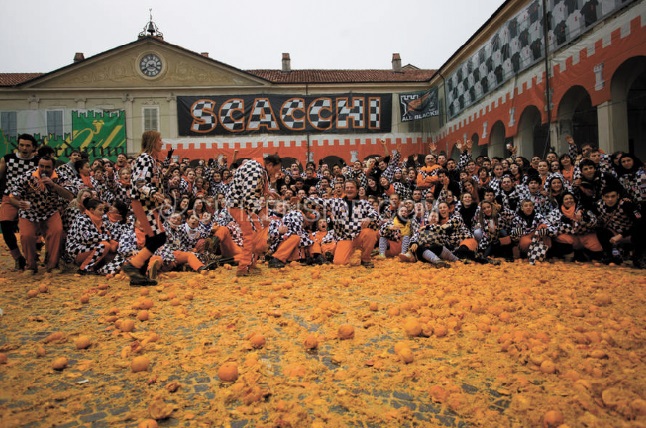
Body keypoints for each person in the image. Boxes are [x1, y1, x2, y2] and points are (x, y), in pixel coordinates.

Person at [8, 155, 75, 275]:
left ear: (53, 167)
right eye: (41, 166)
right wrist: (19, 203)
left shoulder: (61, 177)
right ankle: (31, 266)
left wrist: (53, 185)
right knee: (26, 236)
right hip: (29, 212)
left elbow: (70, 196)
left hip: (50, 211)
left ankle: (52, 265)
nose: (43, 169)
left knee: (57, 232)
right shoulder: (27, 176)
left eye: (47, 167)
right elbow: (12, 197)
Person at [121, 130, 169, 286]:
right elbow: (140, 182)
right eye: (160, 139)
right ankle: (133, 265)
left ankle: (139, 275)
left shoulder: (150, 159)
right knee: (158, 238)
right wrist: (154, 193)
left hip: (147, 203)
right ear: (153, 142)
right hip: (142, 203)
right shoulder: (145, 159)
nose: (162, 142)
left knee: (151, 238)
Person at [226, 154, 282, 277]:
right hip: (239, 205)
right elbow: (248, 196)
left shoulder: (257, 166)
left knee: (257, 232)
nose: (276, 172)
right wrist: (262, 215)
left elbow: (251, 188)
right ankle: (243, 267)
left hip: (243, 204)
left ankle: (251, 264)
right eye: (276, 169)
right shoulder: (256, 170)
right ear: (270, 165)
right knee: (250, 235)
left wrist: (268, 191)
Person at [305, 179, 379, 267]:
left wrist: (368, 218)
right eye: (347, 187)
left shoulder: (364, 203)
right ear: (344, 189)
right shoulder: (336, 202)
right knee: (339, 262)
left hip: (359, 235)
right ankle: (352, 254)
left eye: (352, 187)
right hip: (345, 237)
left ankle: (365, 259)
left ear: (357, 190)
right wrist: (304, 200)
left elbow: (375, 214)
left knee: (370, 233)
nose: (349, 189)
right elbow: (321, 201)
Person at [0, 133, 39, 270]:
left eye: (28, 145)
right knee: (5, 226)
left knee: (33, 229)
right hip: (9, 197)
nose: (24, 148)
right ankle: (18, 257)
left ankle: (35, 254)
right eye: (21, 145)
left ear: (33, 148)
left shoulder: (38, 162)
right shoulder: (7, 159)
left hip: (31, 200)